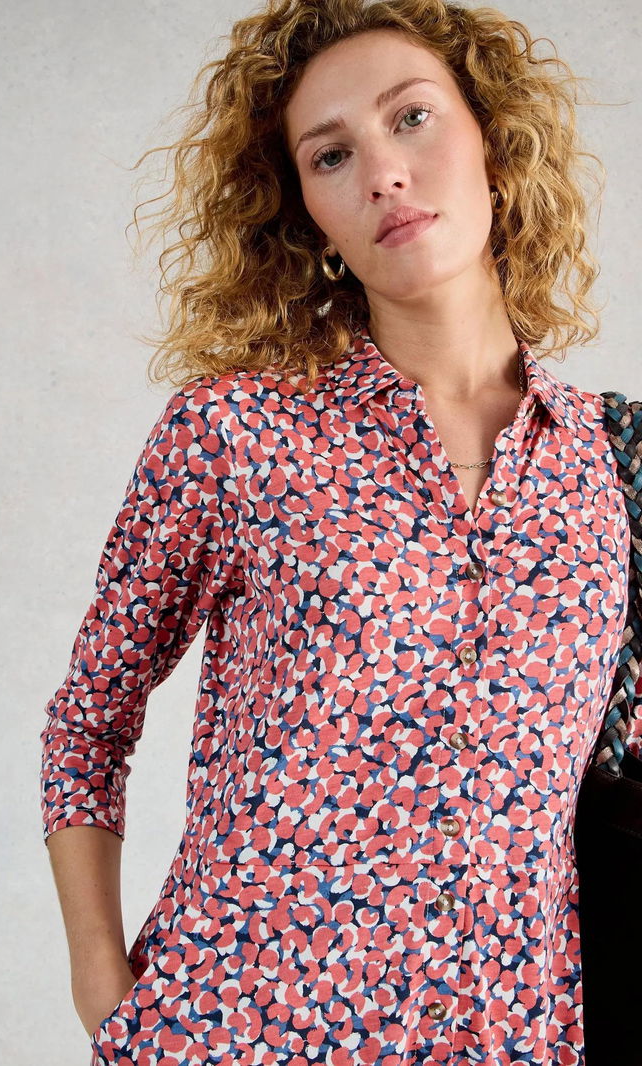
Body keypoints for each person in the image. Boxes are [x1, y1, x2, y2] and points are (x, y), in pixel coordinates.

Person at [39, 1, 637, 1063]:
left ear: (495, 145)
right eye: (331, 155)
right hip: (234, 1030)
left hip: (509, 1037)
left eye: (411, 119)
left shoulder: (614, 460)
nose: (384, 174)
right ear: (308, 215)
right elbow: (89, 719)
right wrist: (105, 986)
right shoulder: (234, 433)